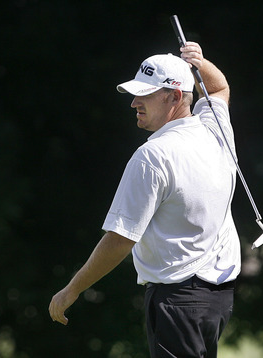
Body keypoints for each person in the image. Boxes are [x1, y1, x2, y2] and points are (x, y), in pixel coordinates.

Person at [49, 42, 241, 358]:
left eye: (147, 94)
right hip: (218, 298)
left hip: (176, 299)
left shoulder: (152, 156)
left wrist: (72, 289)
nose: (135, 102)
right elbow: (219, 89)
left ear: (176, 96)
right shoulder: (216, 130)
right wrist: (200, 63)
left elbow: (121, 239)